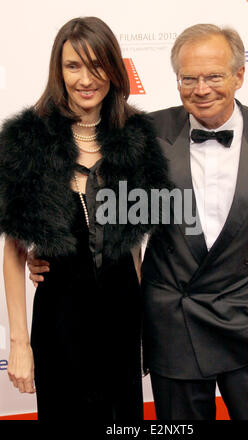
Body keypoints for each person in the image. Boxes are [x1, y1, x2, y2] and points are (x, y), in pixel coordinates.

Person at [28, 24, 248, 420]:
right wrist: (51, 251)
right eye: (188, 78)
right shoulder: (145, 133)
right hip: (175, 328)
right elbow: (103, 201)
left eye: (213, 76)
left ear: (239, 75)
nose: (200, 88)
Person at [0, 16, 169, 421]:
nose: (86, 78)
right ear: (58, 71)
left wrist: (145, 329)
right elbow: (13, 250)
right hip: (61, 319)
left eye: (97, 66)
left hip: (122, 319)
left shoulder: (137, 137)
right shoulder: (29, 140)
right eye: (73, 66)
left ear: (113, 69)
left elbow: (134, 249)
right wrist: (19, 344)